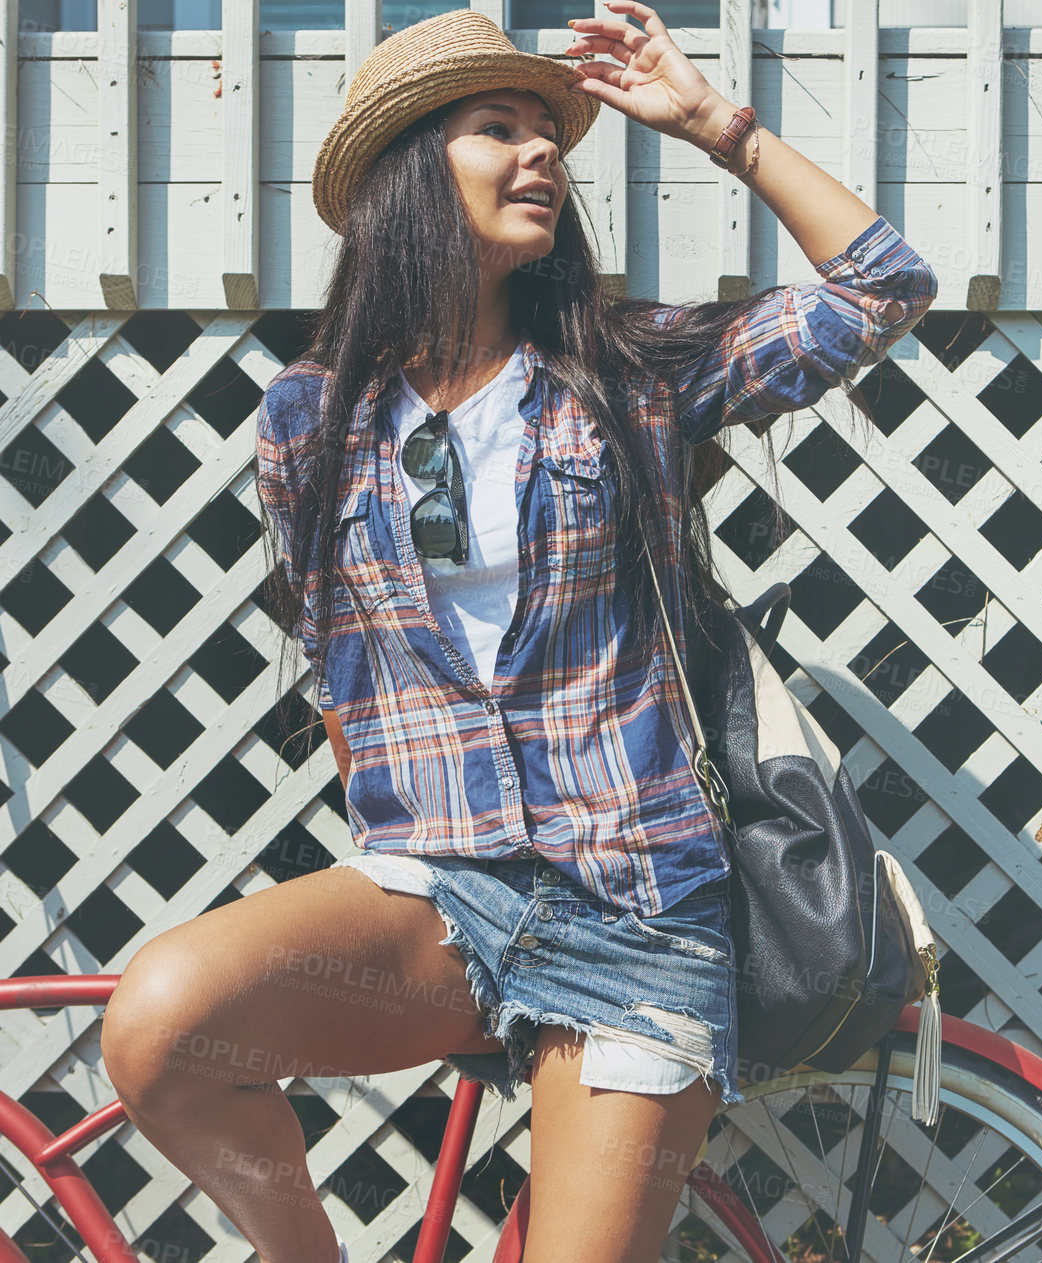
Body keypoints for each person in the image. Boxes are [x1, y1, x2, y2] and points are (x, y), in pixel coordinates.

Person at [99, 4, 937, 1262]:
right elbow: (343, 666)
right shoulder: (311, 417)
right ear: (407, 176)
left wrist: (712, 122)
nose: (544, 154)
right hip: (437, 892)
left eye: (553, 135)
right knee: (161, 1024)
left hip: (638, 910)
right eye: (500, 128)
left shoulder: (631, 374)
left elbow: (882, 286)